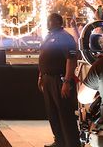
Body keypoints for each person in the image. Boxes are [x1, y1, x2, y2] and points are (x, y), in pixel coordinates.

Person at [38, 13, 80, 147]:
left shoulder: (65, 37)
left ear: (56, 22)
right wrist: (41, 75)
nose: (47, 23)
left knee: (64, 113)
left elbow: (71, 59)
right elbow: (43, 57)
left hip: (60, 79)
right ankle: (59, 141)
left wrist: (67, 81)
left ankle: (71, 143)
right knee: (53, 113)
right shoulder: (49, 36)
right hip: (47, 78)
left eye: (49, 21)